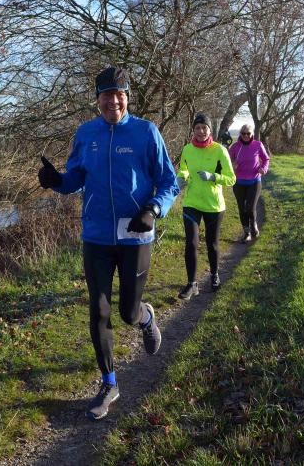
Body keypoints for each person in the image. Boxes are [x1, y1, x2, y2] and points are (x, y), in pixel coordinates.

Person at [37, 66, 179, 421]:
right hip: (97, 236)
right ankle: (109, 383)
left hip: (135, 234)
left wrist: (153, 209)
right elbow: (75, 179)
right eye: (106, 95)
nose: (113, 101)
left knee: (127, 312)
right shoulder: (86, 133)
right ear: (97, 99)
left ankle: (146, 317)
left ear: (127, 97)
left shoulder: (146, 132)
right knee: (99, 310)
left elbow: (169, 182)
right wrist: (56, 180)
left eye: (119, 95)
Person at [176, 114, 236, 299]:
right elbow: (184, 169)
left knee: (212, 243)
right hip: (191, 202)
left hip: (213, 205)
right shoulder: (187, 149)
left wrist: (213, 177)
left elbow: (231, 179)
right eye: (197, 128)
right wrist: (181, 177)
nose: (201, 131)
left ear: (210, 130)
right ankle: (191, 284)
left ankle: (214, 275)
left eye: (204, 128)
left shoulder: (220, 150)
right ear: (193, 130)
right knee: (191, 243)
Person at [228, 123, 269, 242]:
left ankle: (253, 224)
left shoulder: (258, 145)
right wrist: (232, 165)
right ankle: (246, 232)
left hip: (254, 181)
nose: (246, 135)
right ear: (240, 134)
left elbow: (266, 159)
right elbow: (227, 160)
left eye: (248, 133)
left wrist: (264, 168)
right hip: (239, 182)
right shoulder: (235, 146)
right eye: (243, 133)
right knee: (242, 208)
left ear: (252, 134)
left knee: (250, 208)